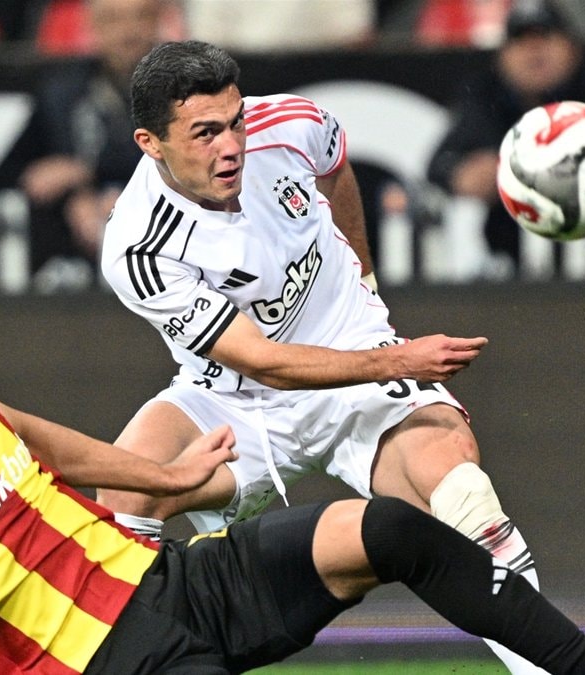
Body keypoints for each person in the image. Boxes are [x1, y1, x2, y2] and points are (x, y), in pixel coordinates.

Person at [0, 254, 585, 674]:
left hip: (171, 583)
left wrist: (170, 482)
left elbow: (31, 434)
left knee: (390, 528)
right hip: (101, 666)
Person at [95, 38, 555, 674]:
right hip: (234, 397)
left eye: (234, 122)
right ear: (151, 143)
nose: (231, 146)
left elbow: (335, 166)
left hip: (350, 350)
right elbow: (264, 363)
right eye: (205, 133)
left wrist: (363, 281)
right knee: (121, 494)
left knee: (459, 487)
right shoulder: (138, 246)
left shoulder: (290, 122)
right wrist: (400, 361)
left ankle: (553, 669)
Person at [0, 0, 176, 292]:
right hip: (72, 269)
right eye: (113, 20)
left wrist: (88, 174)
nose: (128, 31)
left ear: (159, 22)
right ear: (93, 26)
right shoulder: (63, 93)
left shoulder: (183, 92)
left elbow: (188, 163)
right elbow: (4, 174)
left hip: (168, 253)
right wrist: (68, 194)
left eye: (140, 17)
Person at [425, 0, 585, 279]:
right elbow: (439, 165)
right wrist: (462, 174)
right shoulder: (485, 93)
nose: (534, 50)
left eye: (545, 37)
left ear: (572, 48)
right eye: (521, 41)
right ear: (502, 56)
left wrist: (513, 165)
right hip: (509, 265)